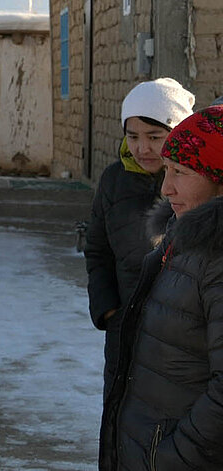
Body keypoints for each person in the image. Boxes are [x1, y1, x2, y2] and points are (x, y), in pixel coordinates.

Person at [99, 105, 223, 470]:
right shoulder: (180, 238)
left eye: (181, 172)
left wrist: (173, 455)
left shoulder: (215, 259)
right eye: (167, 170)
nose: (166, 187)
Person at [84, 78, 194, 399]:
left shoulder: (198, 183)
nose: (142, 148)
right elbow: (97, 251)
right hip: (125, 330)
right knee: (120, 419)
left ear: (178, 133)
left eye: (155, 137)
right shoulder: (113, 181)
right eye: (133, 137)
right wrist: (108, 311)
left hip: (181, 338)